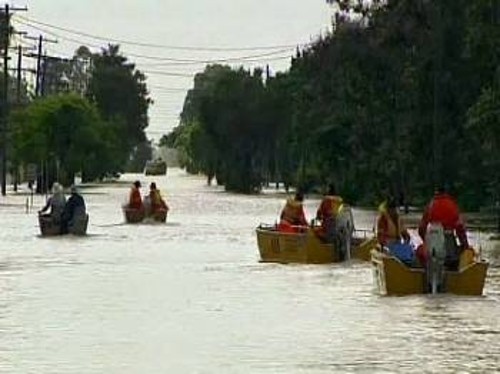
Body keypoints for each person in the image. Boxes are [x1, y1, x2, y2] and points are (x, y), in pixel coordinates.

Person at [418, 186, 469, 270]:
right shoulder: (452, 205)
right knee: (454, 260)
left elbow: (421, 229)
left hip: (432, 243)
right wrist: (465, 245)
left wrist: (426, 241)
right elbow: (460, 228)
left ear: (436, 193)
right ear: (446, 193)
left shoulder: (430, 205)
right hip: (448, 242)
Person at [377, 197, 413, 264]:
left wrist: (406, 242)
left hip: (397, 245)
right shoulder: (383, 219)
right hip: (387, 246)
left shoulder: (398, 218)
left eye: (394, 208)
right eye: (390, 208)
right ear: (387, 209)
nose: (393, 211)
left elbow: (406, 235)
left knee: (409, 250)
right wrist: (384, 245)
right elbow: (380, 237)